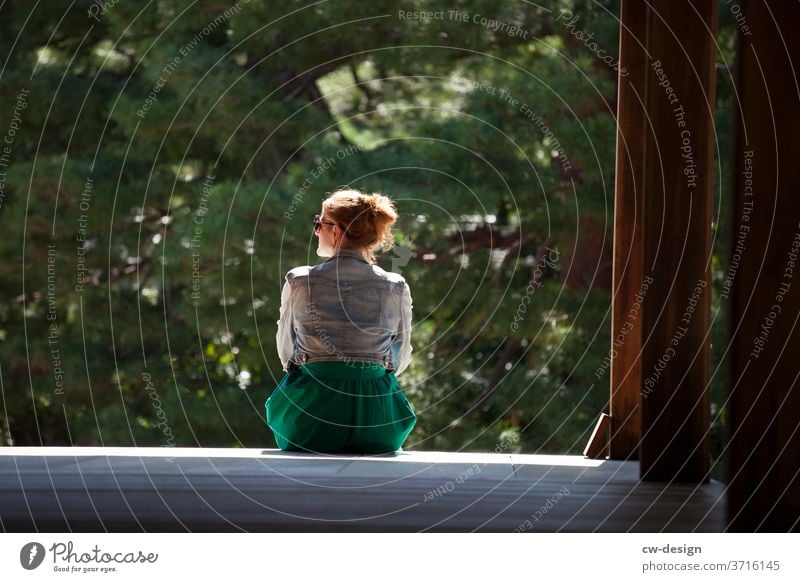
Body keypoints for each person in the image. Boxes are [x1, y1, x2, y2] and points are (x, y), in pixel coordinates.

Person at [266, 188, 416, 454]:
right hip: (378, 419)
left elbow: (286, 352)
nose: (316, 231)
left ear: (336, 230)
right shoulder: (396, 285)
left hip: (308, 418)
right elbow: (400, 358)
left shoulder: (299, 280)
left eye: (318, 224)